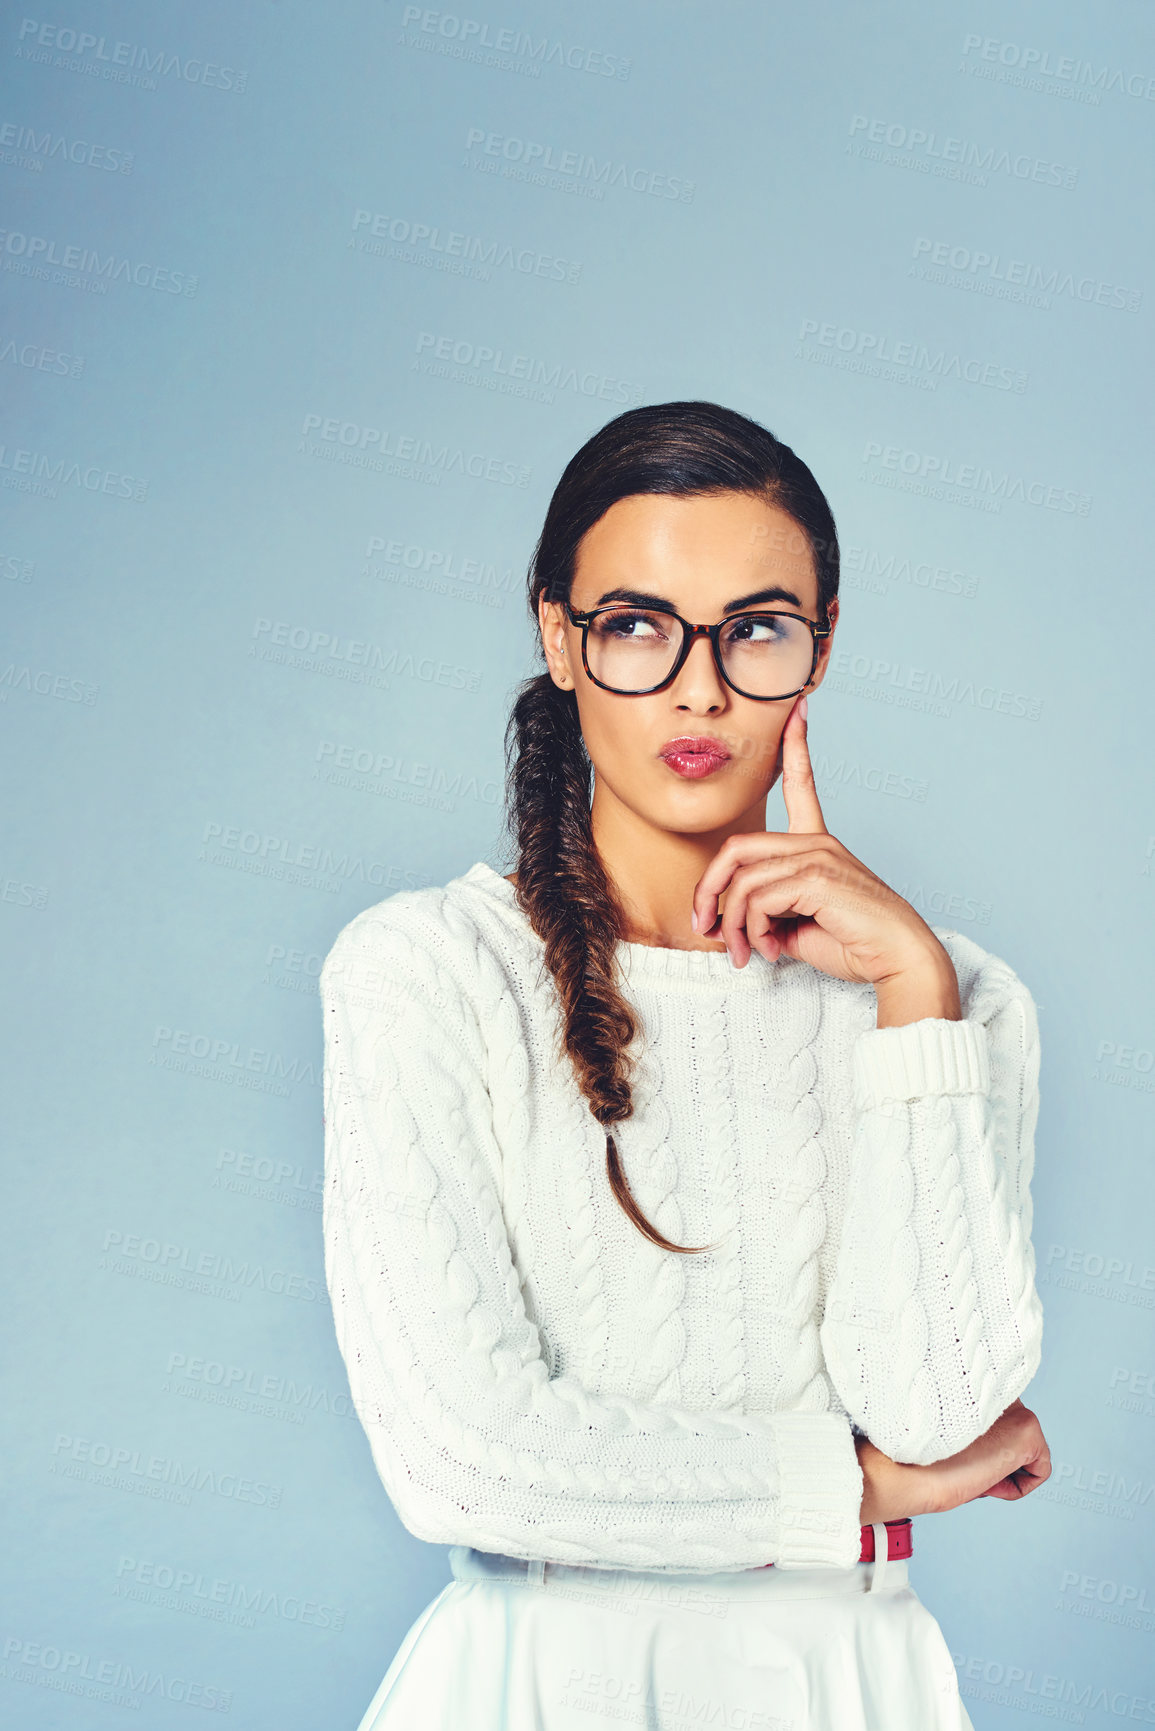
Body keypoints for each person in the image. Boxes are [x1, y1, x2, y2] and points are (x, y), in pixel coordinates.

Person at [319, 401, 1051, 1730]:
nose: (701, 689)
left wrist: (913, 999)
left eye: (757, 630)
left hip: (851, 1684)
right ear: (558, 635)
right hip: (536, 1683)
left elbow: (942, 1415)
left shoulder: (955, 1001)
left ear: (820, 651)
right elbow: (464, 1460)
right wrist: (862, 1488)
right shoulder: (428, 971)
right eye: (637, 626)